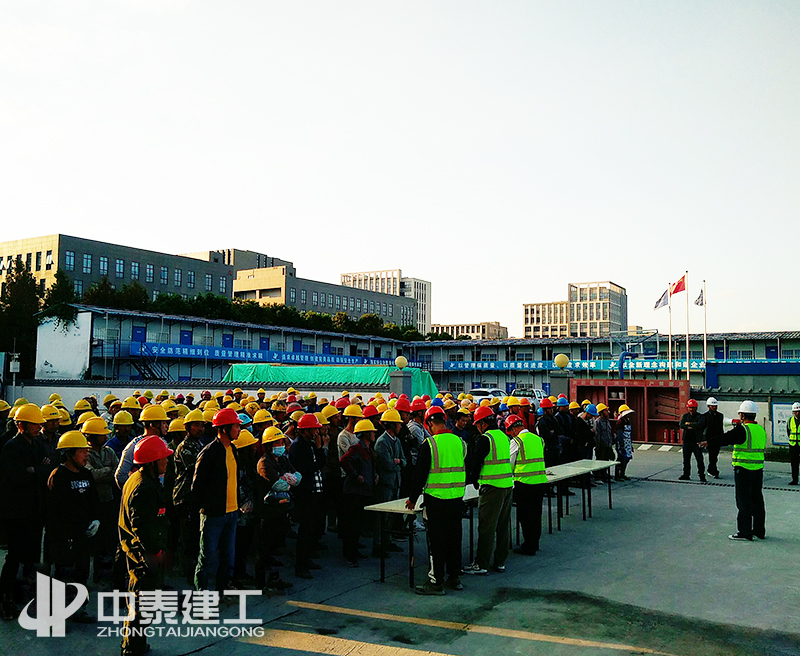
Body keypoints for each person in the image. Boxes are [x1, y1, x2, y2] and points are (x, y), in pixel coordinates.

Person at [119, 435, 172, 656]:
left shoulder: (139, 480)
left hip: (141, 551)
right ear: (152, 462)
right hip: (144, 555)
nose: (167, 461)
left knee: (142, 601)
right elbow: (141, 527)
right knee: (142, 602)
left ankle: (136, 644)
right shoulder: (144, 488)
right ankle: (132, 648)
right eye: (163, 458)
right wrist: (156, 551)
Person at [406, 406, 466, 595]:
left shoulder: (429, 444)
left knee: (436, 542)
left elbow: (420, 475)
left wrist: (413, 499)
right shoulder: (460, 442)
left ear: (429, 423)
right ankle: (454, 577)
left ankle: (436, 581)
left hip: (436, 501)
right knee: (454, 540)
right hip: (457, 499)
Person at [0, 404, 50, 621]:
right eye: (35, 424)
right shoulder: (11, 447)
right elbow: (17, 476)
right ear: (22, 426)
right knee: (14, 556)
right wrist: (37, 470)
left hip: (35, 510)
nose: (39, 427)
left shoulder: (38, 445)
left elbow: (47, 469)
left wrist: (34, 470)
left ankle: (25, 596)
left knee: (32, 556)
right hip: (16, 512)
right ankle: (6, 600)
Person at [45, 430, 99, 622]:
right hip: (64, 536)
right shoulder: (58, 476)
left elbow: (93, 501)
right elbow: (55, 510)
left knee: (82, 572)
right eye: (82, 451)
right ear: (69, 453)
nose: (86, 455)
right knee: (64, 574)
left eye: (87, 451)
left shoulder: (86, 474)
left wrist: (96, 520)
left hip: (83, 535)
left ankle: (79, 609)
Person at [699, 400, 766, 541]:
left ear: (742, 415)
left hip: (744, 470)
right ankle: (759, 531)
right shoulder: (760, 429)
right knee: (757, 501)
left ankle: (745, 532)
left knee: (744, 502)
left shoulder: (743, 429)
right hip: (758, 470)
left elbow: (726, 438)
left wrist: (709, 442)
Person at [192, 407, 242, 591]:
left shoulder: (233, 450)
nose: (239, 430)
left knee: (228, 558)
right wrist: (204, 509)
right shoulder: (209, 453)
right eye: (236, 426)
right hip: (213, 515)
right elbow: (197, 486)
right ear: (224, 429)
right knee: (207, 559)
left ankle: (222, 591)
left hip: (232, 512)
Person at [464, 405, 513, 576]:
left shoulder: (485, 439)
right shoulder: (504, 436)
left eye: (477, 424)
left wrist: (474, 481)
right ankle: (500, 561)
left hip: (492, 487)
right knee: (502, 526)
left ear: (482, 423)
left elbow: (476, 462)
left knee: (486, 527)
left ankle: (481, 563)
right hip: (507, 485)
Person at [255, 427, 296, 594]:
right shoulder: (265, 463)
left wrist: (288, 479)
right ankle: (261, 583)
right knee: (263, 548)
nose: (281, 445)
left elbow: (295, 475)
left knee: (272, 546)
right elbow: (278, 484)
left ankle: (272, 578)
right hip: (267, 511)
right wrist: (287, 480)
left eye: (281, 442)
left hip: (280, 509)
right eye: (277, 443)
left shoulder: (282, 460)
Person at [289, 412, 326, 579]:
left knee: (311, 527)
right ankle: (300, 565)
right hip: (304, 494)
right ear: (305, 431)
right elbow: (309, 468)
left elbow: (321, 463)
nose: (316, 433)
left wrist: (319, 448)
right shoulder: (298, 447)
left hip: (314, 491)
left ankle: (307, 557)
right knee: (304, 530)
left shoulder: (310, 445)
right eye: (314, 430)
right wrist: (318, 449)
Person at [83, 417, 120, 584]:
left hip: (109, 499)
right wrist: (107, 471)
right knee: (96, 541)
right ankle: (97, 574)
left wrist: (104, 472)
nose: (106, 437)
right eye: (102, 434)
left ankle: (110, 572)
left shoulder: (109, 451)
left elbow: (117, 472)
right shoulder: (85, 453)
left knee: (110, 537)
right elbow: (90, 475)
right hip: (94, 502)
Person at [505, 414, 547, 556]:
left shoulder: (517, 441)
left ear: (513, 429)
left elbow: (510, 464)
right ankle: (535, 542)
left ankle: (529, 546)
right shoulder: (538, 439)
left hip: (524, 484)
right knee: (536, 514)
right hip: (540, 482)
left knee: (525, 516)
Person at [172, 408, 205, 583]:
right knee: (188, 538)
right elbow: (196, 470)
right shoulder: (185, 448)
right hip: (185, 496)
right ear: (187, 428)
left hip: (194, 496)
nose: (200, 429)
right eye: (196, 425)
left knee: (195, 536)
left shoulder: (199, 444)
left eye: (202, 425)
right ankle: (188, 573)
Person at [339, 419, 378, 566]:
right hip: (354, 493)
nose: (374, 434)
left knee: (357, 524)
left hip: (363, 492)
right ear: (366, 433)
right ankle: (350, 555)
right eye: (372, 432)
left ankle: (353, 551)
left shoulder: (368, 450)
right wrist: (356, 476)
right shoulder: (356, 448)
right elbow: (344, 461)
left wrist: (375, 475)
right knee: (352, 525)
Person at [372, 409, 406, 555]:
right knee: (382, 516)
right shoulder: (382, 442)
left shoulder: (397, 441)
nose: (400, 426)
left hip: (395, 482)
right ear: (392, 425)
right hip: (385, 484)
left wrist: (398, 462)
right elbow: (387, 464)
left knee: (391, 515)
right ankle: (378, 544)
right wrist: (397, 462)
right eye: (398, 424)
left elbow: (404, 461)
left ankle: (387, 541)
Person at [679, 400, 706, 482]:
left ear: (696, 408)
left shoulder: (700, 416)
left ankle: (702, 475)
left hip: (697, 441)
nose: (691, 409)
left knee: (699, 459)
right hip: (687, 441)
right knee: (686, 460)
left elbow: (700, 425)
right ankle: (686, 474)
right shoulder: (685, 416)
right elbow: (681, 425)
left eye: (693, 408)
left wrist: (689, 424)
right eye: (690, 407)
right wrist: (691, 426)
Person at [701, 397, 724, 479]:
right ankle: (713, 471)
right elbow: (703, 428)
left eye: (715, 406)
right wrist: (703, 439)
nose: (714, 407)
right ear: (708, 406)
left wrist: (722, 438)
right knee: (712, 456)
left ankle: (711, 469)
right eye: (712, 406)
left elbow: (721, 428)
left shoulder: (720, 416)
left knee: (715, 456)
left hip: (717, 438)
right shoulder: (705, 416)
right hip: (709, 439)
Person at [614, 405, 634, 481]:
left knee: (627, 459)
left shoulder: (627, 420)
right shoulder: (620, 422)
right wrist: (621, 445)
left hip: (627, 442)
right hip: (622, 443)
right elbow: (619, 434)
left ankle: (622, 474)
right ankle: (617, 475)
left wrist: (630, 444)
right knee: (620, 459)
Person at [786, 402, 800, 485]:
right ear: (793, 412)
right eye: (796, 411)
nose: (797, 413)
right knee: (794, 464)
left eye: (799, 411)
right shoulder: (790, 420)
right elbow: (788, 431)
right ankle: (795, 480)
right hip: (793, 445)